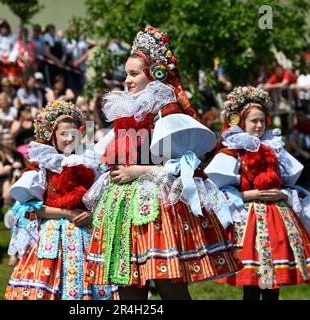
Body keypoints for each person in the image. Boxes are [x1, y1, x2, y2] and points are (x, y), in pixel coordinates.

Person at [83, 26, 241, 300]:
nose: (127, 81)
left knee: (168, 283)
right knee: (128, 286)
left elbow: (184, 165)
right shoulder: (126, 111)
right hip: (122, 207)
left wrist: (138, 170)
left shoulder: (166, 110)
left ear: (153, 74)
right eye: (126, 74)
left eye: (134, 74)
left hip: (157, 204)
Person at [205, 86, 310, 300]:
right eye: (254, 121)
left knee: (272, 286)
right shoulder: (232, 152)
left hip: (276, 220)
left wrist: (282, 195)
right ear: (241, 122)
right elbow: (215, 190)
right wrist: (252, 195)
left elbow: (290, 184)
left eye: (262, 120)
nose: (259, 125)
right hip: (247, 220)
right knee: (251, 287)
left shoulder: (274, 148)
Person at [4, 100, 118, 300]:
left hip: (89, 234)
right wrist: (67, 213)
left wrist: (92, 215)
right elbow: (31, 208)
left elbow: (106, 198)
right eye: (63, 134)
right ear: (51, 136)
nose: (68, 139)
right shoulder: (42, 165)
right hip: (53, 236)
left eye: (73, 133)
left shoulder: (91, 161)